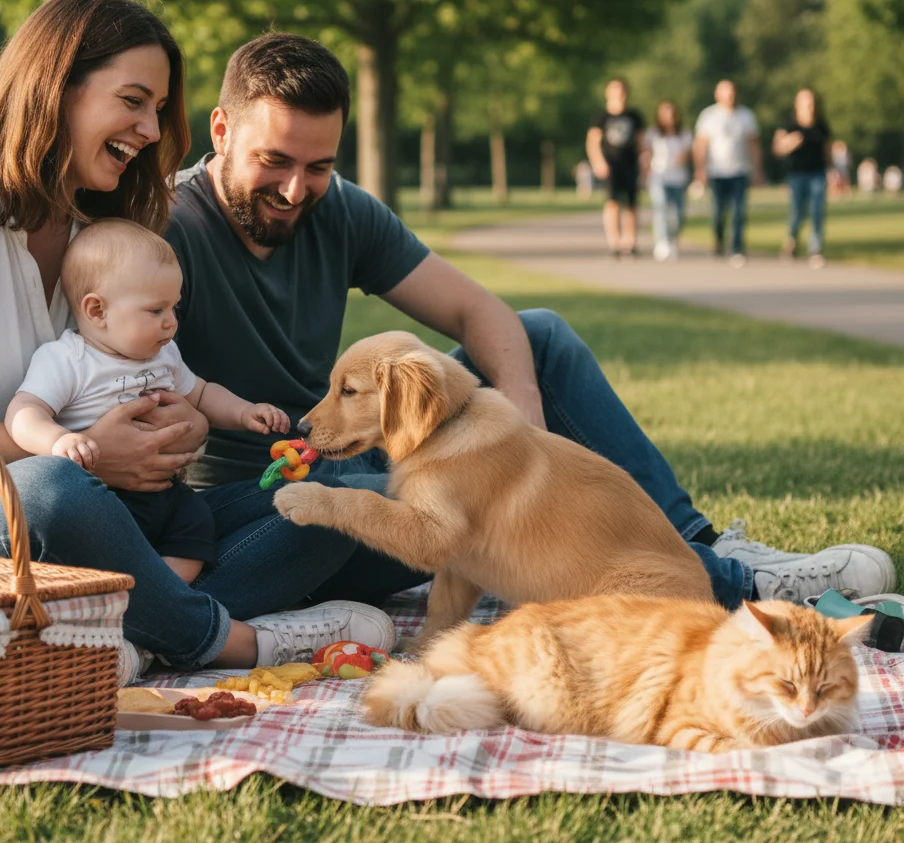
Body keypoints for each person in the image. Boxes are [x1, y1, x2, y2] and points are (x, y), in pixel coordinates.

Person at [165, 31, 895, 614]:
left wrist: (523, 421)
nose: (297, 189)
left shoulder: (342, 209)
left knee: (536, 333)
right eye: (275, 161)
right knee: (358, 484)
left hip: (367, 459)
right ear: (221, 129)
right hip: (255, 501)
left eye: (319, 165)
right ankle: (738, 591)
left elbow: (478, 310)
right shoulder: (166, 229)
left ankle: (695, 544)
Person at [0, 0, 398, 682]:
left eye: (157, 110)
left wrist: (177, 424)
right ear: (55, 88)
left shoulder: (101, 236)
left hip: (112, 520)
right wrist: (93, 460)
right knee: (53, 489)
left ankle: (130, 637)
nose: (153, 131)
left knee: (333, 495)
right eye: (133, 101)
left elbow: (145, 378)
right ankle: (235, 641)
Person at [5, 219, 291, 584]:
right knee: (102, 544)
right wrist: (58, 441)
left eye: (173, 308)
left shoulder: (164, 354)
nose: (171, 322)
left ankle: (166, 592)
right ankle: (142, 600)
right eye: (157, 311)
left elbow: (201, 393)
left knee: (196, 525)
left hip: (167, 491)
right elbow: (23, 412)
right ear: (97, 311)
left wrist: (245, 412)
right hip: (105, 496)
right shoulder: (67, 360)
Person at [693, 80, 764, 267]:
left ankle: (737, 247)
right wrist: (700, 170)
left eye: (732, 92)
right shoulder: (709, 116)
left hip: (740, 171)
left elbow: (754, 144)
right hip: (716, 171)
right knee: (718, 211)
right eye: (725, 92)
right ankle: (718, 242)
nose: (729, 96)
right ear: (717, 94)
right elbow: (700, 145)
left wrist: (757, 169)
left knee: (739, 211)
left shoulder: (746, 116)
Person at [773, 89, 832, 269]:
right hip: (796, 174)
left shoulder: (821, 126)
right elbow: (777, 148)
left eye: (811, 102)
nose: (808, 106)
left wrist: (833, 171)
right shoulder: (789, 125)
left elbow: (827, 151)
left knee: (817, 211)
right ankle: (791, 241)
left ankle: (815, 248)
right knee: (797, 212)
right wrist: (791, 142)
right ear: (797, 104)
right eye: (805, 102)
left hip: (817, 173)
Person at [585, 78, 645, 258]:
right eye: (615, 91)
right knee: (612, 203)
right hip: (611, 165)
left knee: (631, 204)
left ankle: (630, 241)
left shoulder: (634, 116)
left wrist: (644, 161)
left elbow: (641, 142)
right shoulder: (601, 117)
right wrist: (598, 162)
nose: (619, 95)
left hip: (630, 164)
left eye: (622, 91)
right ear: (608, 93)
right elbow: (592, 142)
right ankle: (614, 243)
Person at [643, 101, 693, 261]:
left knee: (678, 213)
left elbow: (689, 153)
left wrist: (683, 158)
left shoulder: (684, 134)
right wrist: (645, 169)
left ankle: (672, 239)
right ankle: (662, 242)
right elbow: (647, 153)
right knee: (661, 209)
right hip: (658, 177)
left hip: (678, 178)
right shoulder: (653, 134)